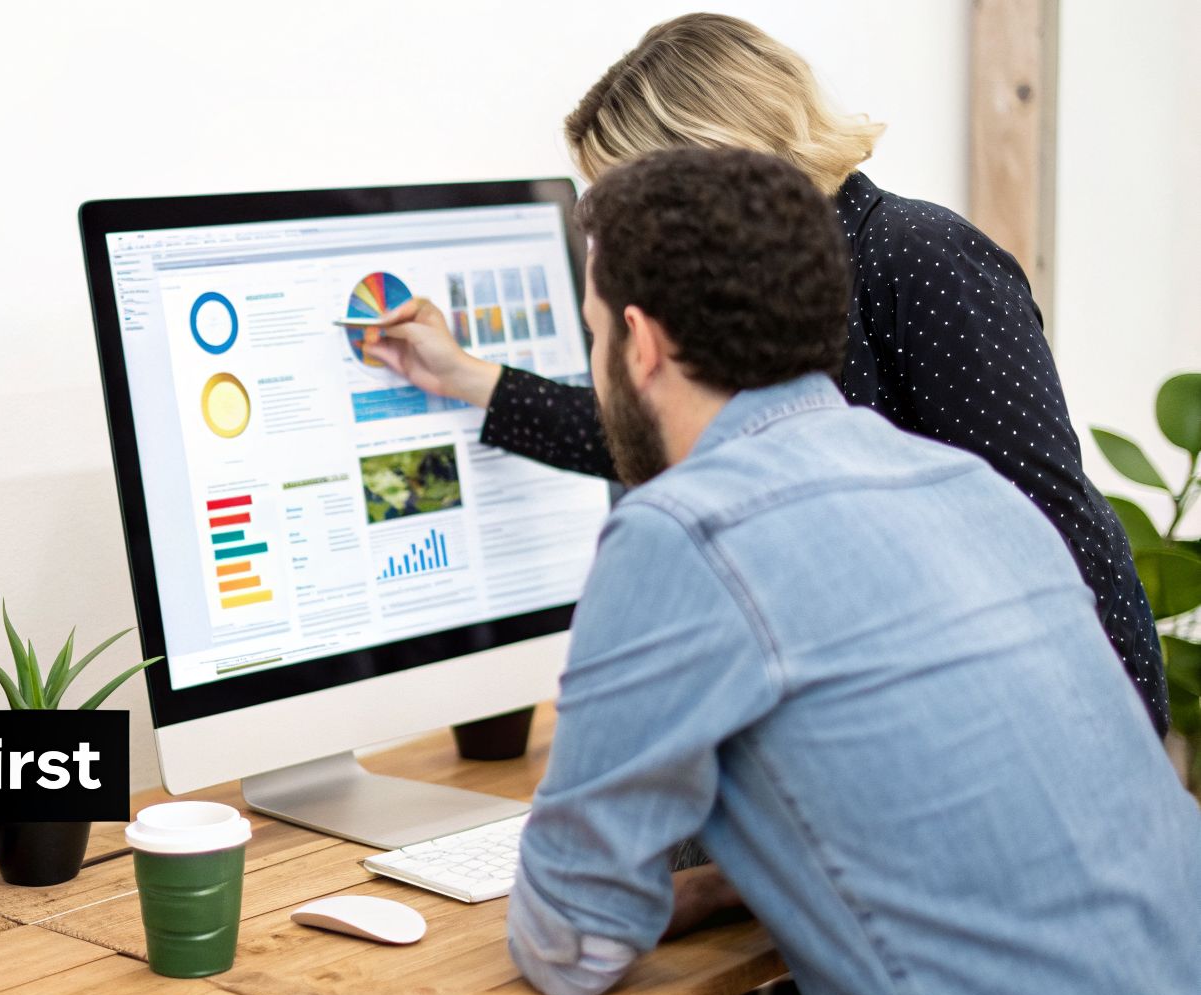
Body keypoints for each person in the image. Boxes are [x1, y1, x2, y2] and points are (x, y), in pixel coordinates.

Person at [504, 145, 1201, 995]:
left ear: (639, 343)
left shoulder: (683, 531)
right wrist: (730, 882)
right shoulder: (971, 487)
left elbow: (571, 944)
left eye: (596, 333)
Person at [370, 12, 1170, 736]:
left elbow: (1047, 524)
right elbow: (664, 435)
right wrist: (468, 378)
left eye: (629, 201)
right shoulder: (745, 295)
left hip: (1016, 718)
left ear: (713, 162)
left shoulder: (918, 256)